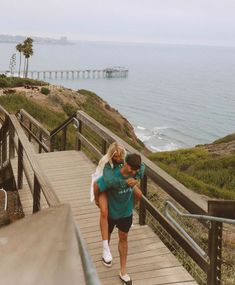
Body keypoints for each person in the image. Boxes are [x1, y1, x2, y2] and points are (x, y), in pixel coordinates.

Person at [97, 153, 145, 285]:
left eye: (137, 171)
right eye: (133, 170)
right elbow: (97, 185)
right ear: (126, 165)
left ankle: (123, 271)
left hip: (125, 212)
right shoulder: (112, 176)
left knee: (124, 237)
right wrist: (97, 201)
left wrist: (131, 206)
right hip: (111, 211)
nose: (134, 173)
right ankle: (106, 251)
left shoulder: (136, 171)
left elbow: (143, 168)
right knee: (108, 234)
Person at [90, 142, 127, 266]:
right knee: (104, 211)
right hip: (102, 186)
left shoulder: (125, 161)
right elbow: (97, 184)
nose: (117, 159)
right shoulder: (106, 162)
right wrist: (96, 200)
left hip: (115, 186)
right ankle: (105, 248)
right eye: (115, 156)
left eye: (120, 156)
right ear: (111, 155)